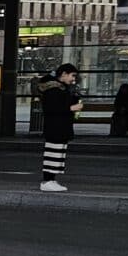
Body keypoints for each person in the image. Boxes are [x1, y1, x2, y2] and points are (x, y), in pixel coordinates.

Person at [37, 63, 82, 192]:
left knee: (57, 154)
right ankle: (48, 180)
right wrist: (71, 108)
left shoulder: (60, 88)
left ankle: (51, 179)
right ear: (64, 74)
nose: (73, 79)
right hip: (56, 127)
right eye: (72, 75)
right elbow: (51, 109)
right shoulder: (53, 90)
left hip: (59, 127)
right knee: (53, 153)